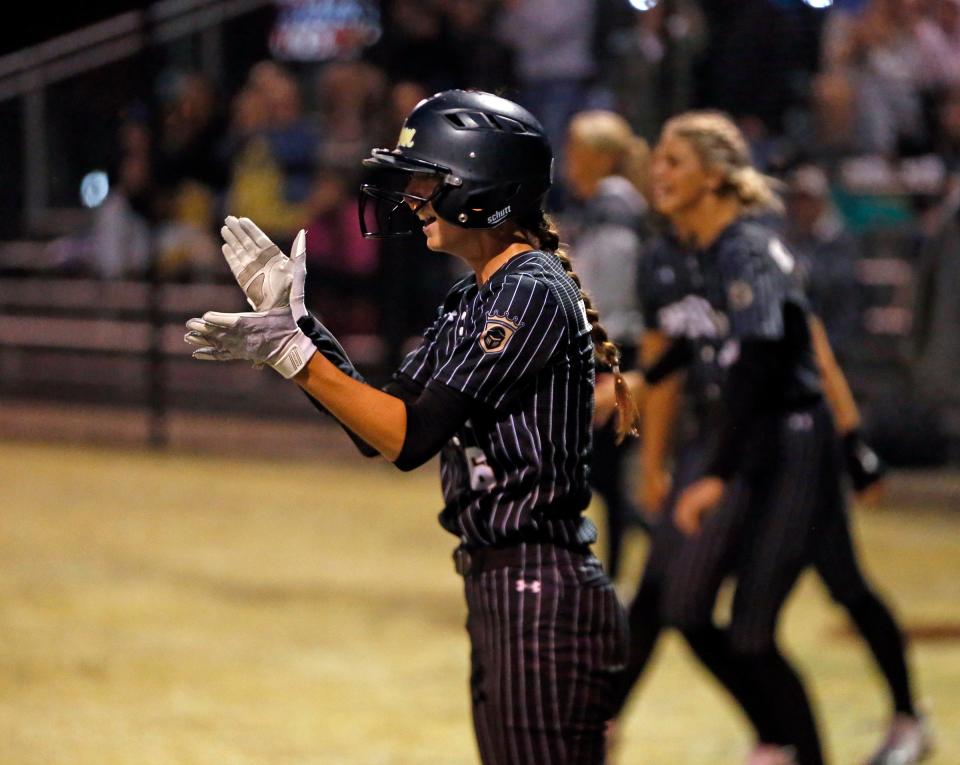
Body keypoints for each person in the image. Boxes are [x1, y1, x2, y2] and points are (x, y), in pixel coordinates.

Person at [184, 89, 641, 764]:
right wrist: (300, 327)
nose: (413, 198)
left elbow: (411, 436)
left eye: (429, 181)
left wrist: (296, 356)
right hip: (507, 592)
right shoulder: (475, 295)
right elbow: (378, 422)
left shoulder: (531, 288)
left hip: (541, 597)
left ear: (483, 190)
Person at [601, 111, 931, 765]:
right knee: (685, 600)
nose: (656, 171)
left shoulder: (748, 250)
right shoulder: (687, 252)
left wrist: (845, 439)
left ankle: (887, 720)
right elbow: (694, 344)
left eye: (673, 160)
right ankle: (772, 737)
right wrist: (633, 383)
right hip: (741, 435)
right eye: (657, 159)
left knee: (784, 607)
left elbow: (768, 358)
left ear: (717, 174)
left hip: (789, 440)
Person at [562, 110, 651, 580]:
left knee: (604, 473)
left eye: (576, 152)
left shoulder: (613, 209)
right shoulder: (610, 206)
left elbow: (607, 297)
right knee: (603, 473)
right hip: (612, 350)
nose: (568, 162)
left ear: (599, 157)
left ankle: (615, 571)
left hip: (612, 353)